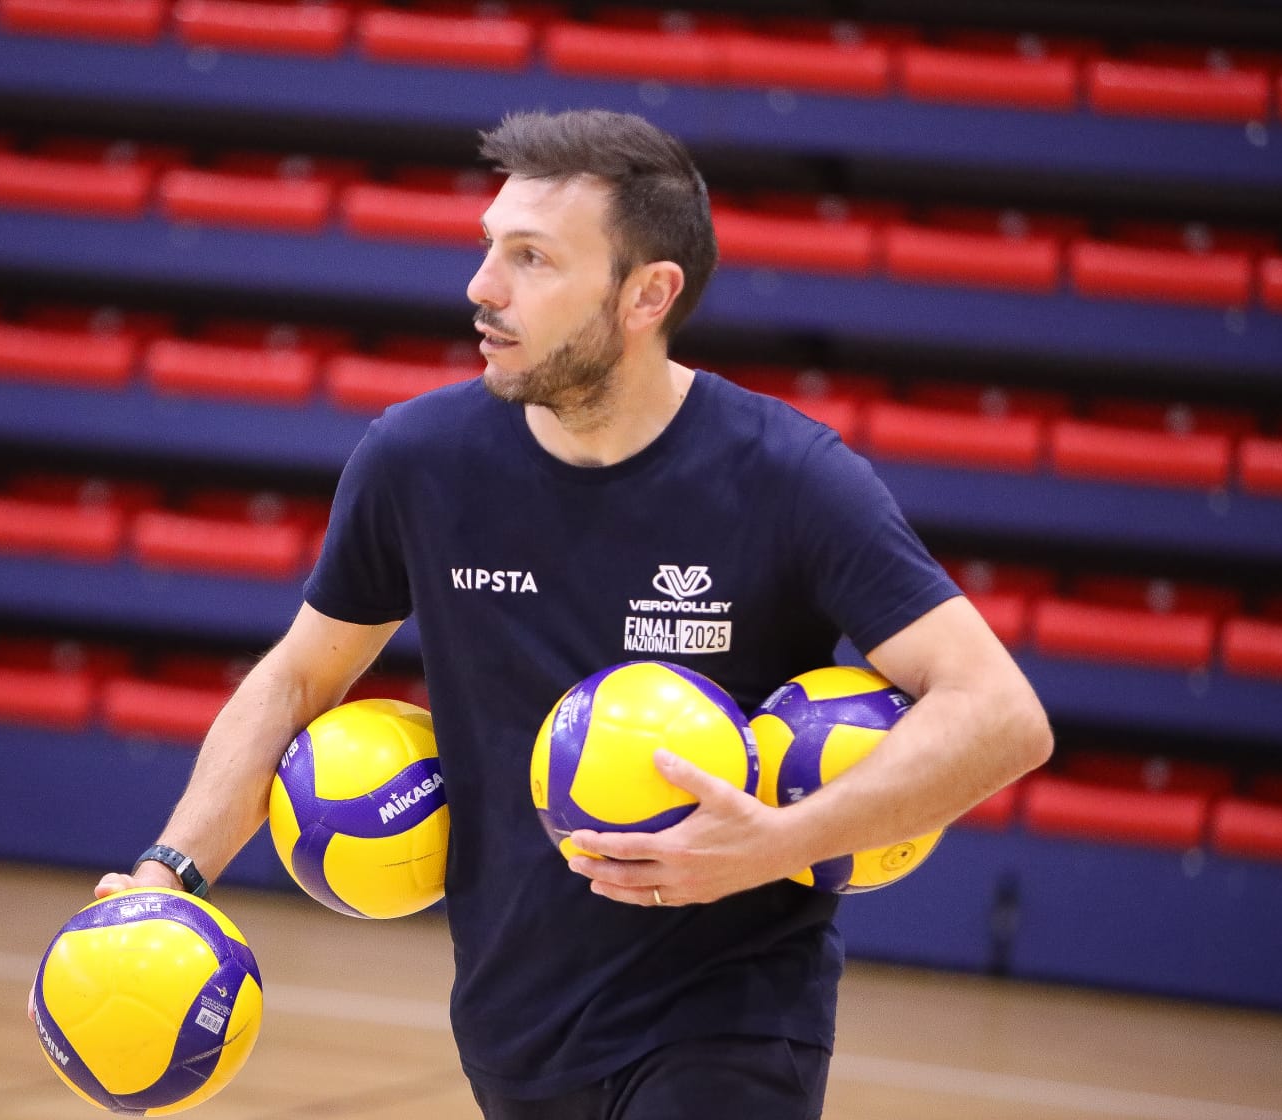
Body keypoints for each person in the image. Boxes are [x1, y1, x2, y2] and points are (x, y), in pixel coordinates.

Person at [93, 109, 1053, 1118]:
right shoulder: (418, 462)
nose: (483, 286)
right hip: (513, 1023)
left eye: (532, 258)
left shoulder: (789, 478)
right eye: (489, 247)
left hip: (729, 1015)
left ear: (648, 294)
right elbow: (297, 679)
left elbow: (999, 715)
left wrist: (781, 841)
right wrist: (170, 871)